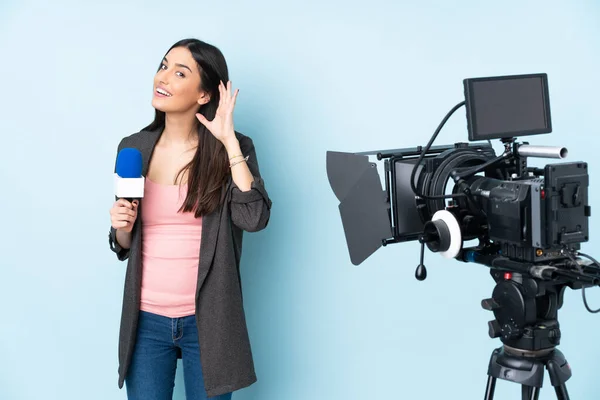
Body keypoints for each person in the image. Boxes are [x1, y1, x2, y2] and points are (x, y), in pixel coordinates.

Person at [107, 38, 272, 400]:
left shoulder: (234, 148)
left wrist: (228, 141)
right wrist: (121, 227)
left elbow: (254, 217)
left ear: (204, 95)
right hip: (145, 321)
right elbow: (124, 244)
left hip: (208, 321)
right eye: (163, 65)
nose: (162, 77)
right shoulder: (133, 148)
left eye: (179, 72)